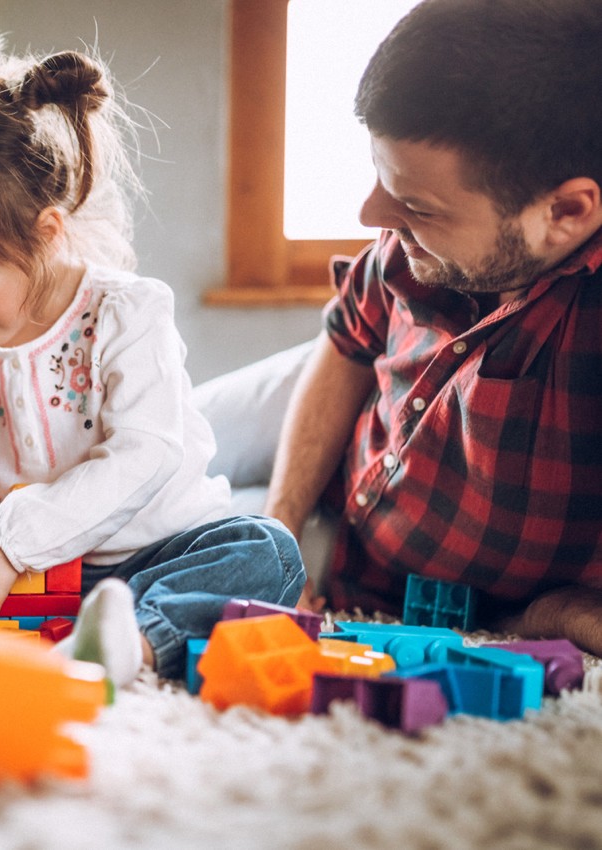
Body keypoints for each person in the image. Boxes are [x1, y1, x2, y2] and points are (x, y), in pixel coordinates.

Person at [0, 46, 306, 688]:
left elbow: (147, 454)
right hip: (31, 575)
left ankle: (130, 639)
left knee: (268, 552)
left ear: (48, 232)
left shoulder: (128, 313)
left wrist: (8, 544)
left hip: (154, 554)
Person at [256, 0, 602, 652]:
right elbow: (343, 349)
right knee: (157, 461)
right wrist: (281, 530)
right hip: (334, 471)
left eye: (414, 204)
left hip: (442, 598)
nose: (369, 214)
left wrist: (553, 615)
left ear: (566, 211)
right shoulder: (408, 242)